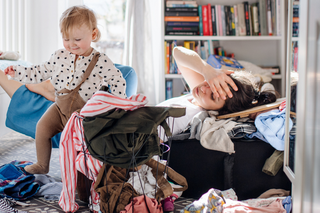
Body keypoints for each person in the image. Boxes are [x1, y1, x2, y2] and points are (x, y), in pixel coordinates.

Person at [2, 5, 127, 175]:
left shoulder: (100, 60)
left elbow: (117, 79)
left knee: (81, 146)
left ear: (93, 34)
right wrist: (17, 72)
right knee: (42, 128)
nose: (71, 44)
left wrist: (119, 104)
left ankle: (83, 175)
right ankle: (42, 164)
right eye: (66, 39)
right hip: (60, 108)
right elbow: (39, 71)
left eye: (77, 39)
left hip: (85, 114)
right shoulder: (59, 56)